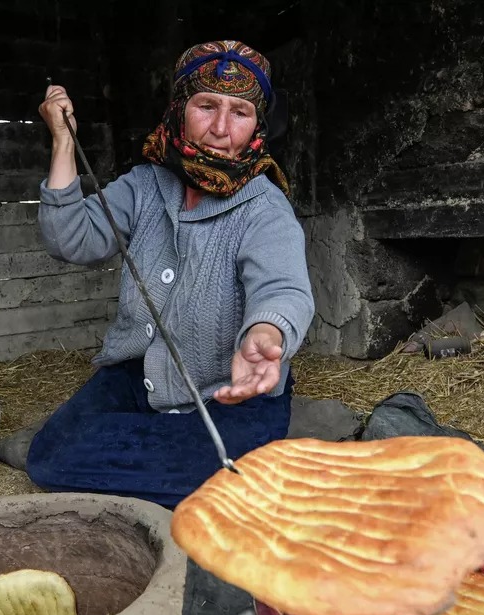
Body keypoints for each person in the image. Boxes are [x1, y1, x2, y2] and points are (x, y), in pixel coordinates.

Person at [22, 39, 314, 510]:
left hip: (229, 391)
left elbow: (283, 287)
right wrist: (62, 143)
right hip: (142, 375)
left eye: (240, 112)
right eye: (206, 106)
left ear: (258, 123)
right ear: (180, 108)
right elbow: (71, 238)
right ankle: (189, 460)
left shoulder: (265, 207)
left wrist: (266, 331)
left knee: (232, 471)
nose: (221, 128)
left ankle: (193, 461)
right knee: (49, 456)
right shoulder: (145, 185)